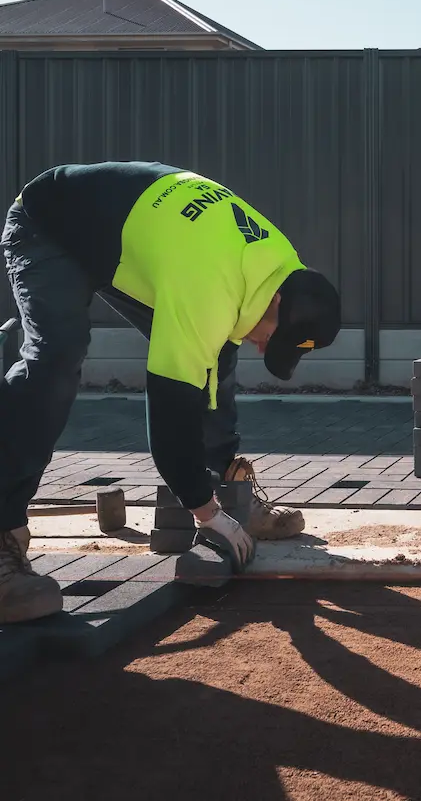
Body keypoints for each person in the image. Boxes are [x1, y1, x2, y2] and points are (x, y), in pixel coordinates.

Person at [1, 162, 340, 623]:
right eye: (272, 337)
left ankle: (230, 488)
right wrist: (204, 512)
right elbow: (169, 411)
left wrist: (218, 502)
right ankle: (3, 530)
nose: (264, 346)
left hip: (129, 236)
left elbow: (220, 343)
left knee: (219, 350)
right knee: (56, 357)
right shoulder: (209, 286)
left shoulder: (279, 266)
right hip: (50, 223)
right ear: (278, 301)